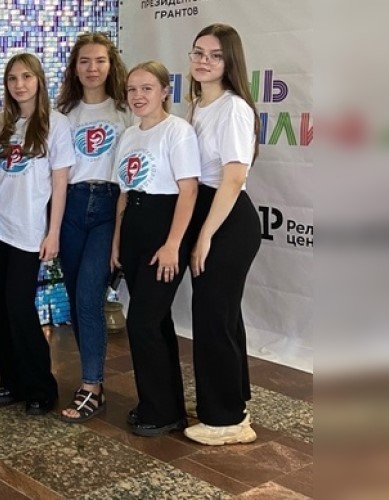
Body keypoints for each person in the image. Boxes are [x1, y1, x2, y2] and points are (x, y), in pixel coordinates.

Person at [183, 23, 261, 446]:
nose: (204, 61)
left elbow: (233, 178)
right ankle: (234, 402)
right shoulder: (198, 105)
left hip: (226, 220)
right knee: (223, 316)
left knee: (214, 318)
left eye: (215, 55)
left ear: (230, 62)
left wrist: (205, 235)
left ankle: (226, 421)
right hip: (208, 213)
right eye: (199, 52)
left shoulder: (233, 108)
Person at [111, 61, 199, 437]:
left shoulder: (177, 131)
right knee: (157, 322)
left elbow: (189, 190)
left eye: (147, 88)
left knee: (142, 322)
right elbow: (123, 193)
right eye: (132, 89)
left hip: (164, 228)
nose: (138, 96)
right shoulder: (129, 135)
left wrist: (173, 244)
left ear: (165, 91)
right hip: (134, 226)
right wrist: (117, 241)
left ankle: (161, 411)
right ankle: (165, 405)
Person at [0, 53, 72, 415]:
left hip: (29, 230)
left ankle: (41, 385)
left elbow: (60, 182)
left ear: (39, 80)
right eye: (12, 78)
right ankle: (11, 380)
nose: (19, 84)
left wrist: (54, 232)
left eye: (26, 77)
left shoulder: (56, 124)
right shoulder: (2, 124)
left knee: (19, 306)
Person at [54, 32, 131, 422]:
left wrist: (121, 226)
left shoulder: (125, 110)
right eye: (84, 61)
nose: (92, 68)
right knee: (75, 297)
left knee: (89, 297)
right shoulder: (63, 113)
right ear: (74, 67)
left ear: (111, 64)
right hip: (71, 204)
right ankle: (91, 380)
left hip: (108, 205)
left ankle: (92, 387)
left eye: (100, 60)